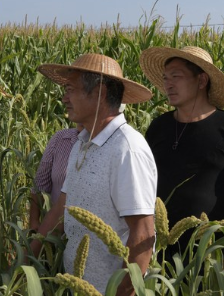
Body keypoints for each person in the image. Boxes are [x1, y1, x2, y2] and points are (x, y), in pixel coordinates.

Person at [29, 53, 156, 296]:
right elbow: (62, 209)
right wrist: (27, 257)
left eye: (70, 89)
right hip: (76, 285)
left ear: (99, 92)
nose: (64, 98)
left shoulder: (127, 149)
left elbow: (143, 235)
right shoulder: (80, 144)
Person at [139, 46, 224, 258]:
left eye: (176, 76)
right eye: (166, 77)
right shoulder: (159, 126)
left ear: (202, 81)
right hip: (158, 249)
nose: (168, 83)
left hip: (209, 250)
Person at [29, 123, 82, 231]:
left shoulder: (113, 145)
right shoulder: (61, 139)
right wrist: (34, 222)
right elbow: (39, 185)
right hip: (54, 232)